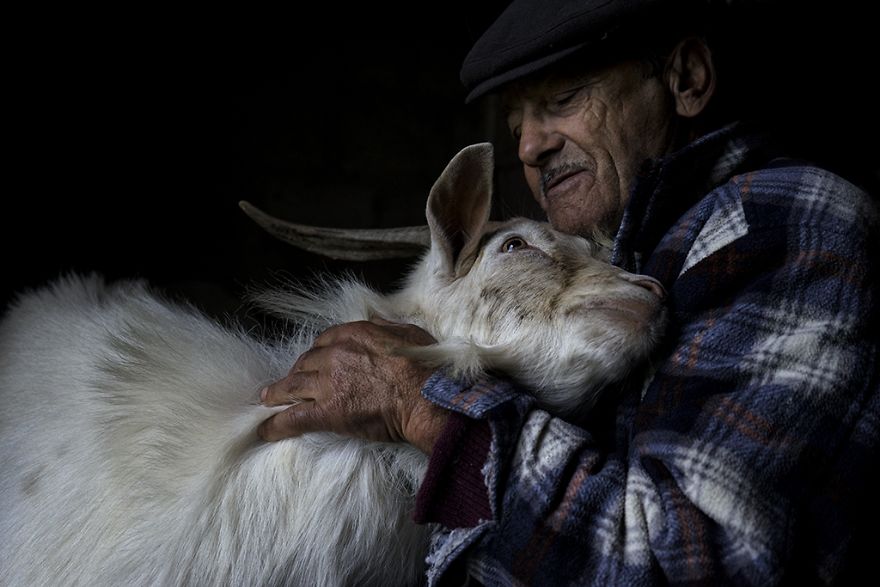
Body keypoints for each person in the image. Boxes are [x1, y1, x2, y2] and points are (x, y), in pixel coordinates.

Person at [257, 1, 879, 584]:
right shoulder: (641, 260)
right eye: (518, 123)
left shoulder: (781, 218)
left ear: (686, 79)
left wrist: (429, 413)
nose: (529, 146)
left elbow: (703, 562)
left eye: (564, 98)